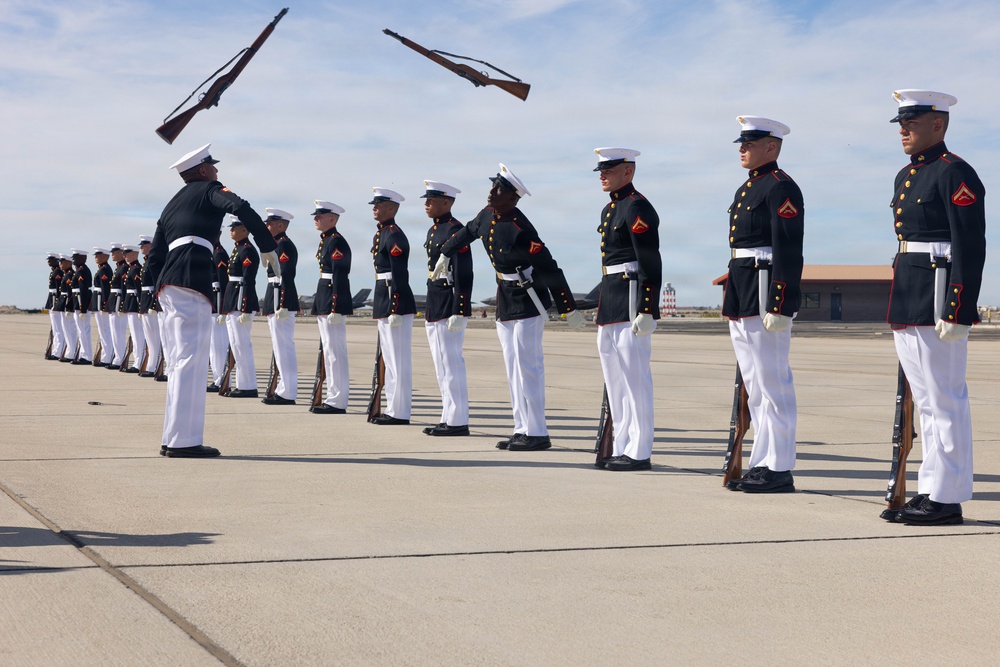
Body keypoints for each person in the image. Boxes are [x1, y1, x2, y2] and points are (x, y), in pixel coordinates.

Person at [881, 90, 986, 525]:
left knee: (945, 398)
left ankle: (947, 498)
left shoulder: (954, 172)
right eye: (901, 123)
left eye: (912, 122)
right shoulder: (906, 174)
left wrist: (959, 307)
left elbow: (969, 244)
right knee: (925, 401)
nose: (903, 130)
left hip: (939, 294)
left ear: (938, 125)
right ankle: (930, 490)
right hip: (909, 291)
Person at [435, 164, 586, 451]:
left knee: (529, 366)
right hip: (505, 298)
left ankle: (538, 432)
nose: (491, 193)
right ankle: (522, 428)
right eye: (492, 187)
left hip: (528, 297)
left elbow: (549, 266)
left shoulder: (520, 228)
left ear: (513, 197)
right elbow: (467, 232)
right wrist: (445, 252)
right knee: (512, 367)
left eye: (499, 190)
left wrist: (568, 307)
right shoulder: (487, 215)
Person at [146, 143, 279, 458]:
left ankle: (174, 437)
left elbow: (154, 256)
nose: (217, 171)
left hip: (169, 282)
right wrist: (266, 244)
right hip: (192, 276)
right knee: (190, 360)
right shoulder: (210, 189)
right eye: (213, 167)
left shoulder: (170, 204)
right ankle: (183, 441)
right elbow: (241, 207)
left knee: (180, 359)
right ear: (203, 171)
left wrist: (152, 291)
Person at [723, 116, 804, 493]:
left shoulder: (780, 187)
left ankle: (780, 465)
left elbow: (787, 249)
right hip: (743, 282)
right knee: (755, 383)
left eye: (749, 143)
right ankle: (762, 461)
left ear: (770, 147)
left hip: (764, 284)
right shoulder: (748, 187)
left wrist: (780, 300)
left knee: (773, 380)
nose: (742, 148)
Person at [591, 148, 662, 471]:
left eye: (609, 169)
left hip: (632, 298)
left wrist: (647, 308)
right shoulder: (611, 209)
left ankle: (639, 449)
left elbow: (649, 260)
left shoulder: (636, 207)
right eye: (601, 170)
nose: (602, 175)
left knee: (635, 379)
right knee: (615, 380)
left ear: (628, 172)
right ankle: (621, 444)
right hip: (612, 298)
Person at [420, 180, 473, 437]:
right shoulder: (434, 230)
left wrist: (459, 309)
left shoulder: (455, 230)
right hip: (435, 300)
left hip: (449, 301)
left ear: (447, 202)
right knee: (441, 364)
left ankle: (458, 420)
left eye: (431, 200)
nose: (426, 204)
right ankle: (447, 415)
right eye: (426, 200)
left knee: (451, 363)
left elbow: (464, 272)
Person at [368, 188, 416, 426]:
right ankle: (392, 408)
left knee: (398, 359)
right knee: (389, 357)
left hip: (393, 298)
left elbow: (399, 273)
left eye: (378, 205)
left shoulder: (394, 235)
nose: (374, 209)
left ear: (391, 208)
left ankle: (399, 411)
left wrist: (395, 307)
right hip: (383, 296)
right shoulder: (383, 233)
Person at [310, 200, 353, 415]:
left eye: (320, 216)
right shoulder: (326, 240)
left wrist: (336, 306)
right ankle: (332, 396)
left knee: (335, 351)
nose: (316, 219)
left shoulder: (337, 242)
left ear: (332, 219)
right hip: (324, 297)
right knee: (329, 350)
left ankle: (337, 400)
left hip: (331, 299)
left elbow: (340, 275)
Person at [260, 208, 299, 405]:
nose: (266, 226)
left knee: (284, 346)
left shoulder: (284, 245)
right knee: (278, 347)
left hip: (280, 299)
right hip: (273, 297)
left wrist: (282, 303)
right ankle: (283, 389)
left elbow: (286, 275)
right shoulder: (274, 245)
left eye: (270, 223)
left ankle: (288, 392)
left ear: (281, 225)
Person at [221, 216, 262, 398]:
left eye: (235, 227)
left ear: (245, 229)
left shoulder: (247, 250)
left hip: (240, 301)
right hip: (233, 300)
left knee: (241, 344)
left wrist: (244, 308)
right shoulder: (237, 249)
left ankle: (248, 386)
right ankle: (242, 384)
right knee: (236, 345)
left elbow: (248, 280)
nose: (231, 230)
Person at [137, 235, 163, 378]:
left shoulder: (154, 260)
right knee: (149, 337)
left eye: (144, 245)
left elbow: (156, 284)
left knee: (155, 336)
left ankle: (156, 365)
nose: (141, 247)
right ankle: (151, 366)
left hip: (151, 301)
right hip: (146, 300)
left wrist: (154, 304)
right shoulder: (147, 261)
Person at [207, 240, 231, 392]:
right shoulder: (211, 252)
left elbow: (223, 281)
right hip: (211, 302)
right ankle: (217, 378)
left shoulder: (219, 253)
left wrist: (222, 309)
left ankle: (221, 379)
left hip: (217, 303)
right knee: (213, 345)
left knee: (219, 345)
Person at [119, 245, 146, 373]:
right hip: (131, 304)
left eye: (127, 254)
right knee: (135, 335)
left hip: (135, 304)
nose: (124, 256)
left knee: (138, 335)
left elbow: (139, 290)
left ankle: (139, 362)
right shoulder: (131, 269)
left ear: (134, 255)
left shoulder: (135, 269)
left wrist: (141, 307)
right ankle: (137, 361)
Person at [105, 242, 129, 370]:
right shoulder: (118, 267)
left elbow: (124, 289)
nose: (112, 255)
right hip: (114, 301)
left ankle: (120, 358)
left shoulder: (124, 267)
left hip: (119, 302)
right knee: (114, 332)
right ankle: (117, 357)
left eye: (115, 253)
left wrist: (122, 306)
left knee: (119, 332)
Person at [90, 247, 114, 367]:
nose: (95, 257)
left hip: (101, 302)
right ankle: (106, 355)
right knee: (103, 331)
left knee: (105, 331)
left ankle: (107, 356)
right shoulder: (102, 269)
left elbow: (105, 289)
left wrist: (105, 304)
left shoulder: (104, 270)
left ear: (105, 257)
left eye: (98, 255)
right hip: (98, 301)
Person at [69, 249, 93, 365]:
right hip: (78, 303)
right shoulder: (79, 270)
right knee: (82, 331)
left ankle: (86, 356)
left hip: (81, 304)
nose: (73, 259)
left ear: (83, 258)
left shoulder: (82, 271)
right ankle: (84, 354)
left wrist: (83, 309)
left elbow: (83, 290)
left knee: (83, 331)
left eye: (76, 257)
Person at [56, 254, 78, 362]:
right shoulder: (66, 274)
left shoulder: (70, 275)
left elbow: (71, 294)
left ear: (69, 263)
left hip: (67, 304)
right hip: (63, 303)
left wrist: (69, 308)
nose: (60, 264)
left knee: (70, 330)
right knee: (66, 330)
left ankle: (71, 353)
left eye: (62, 262)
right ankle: (70, 352)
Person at [45, 251, 64, 360]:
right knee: (56, 329)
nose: (49, 262)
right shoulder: (54, 271)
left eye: (51, 260)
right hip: (52, 300)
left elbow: (58, 290)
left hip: (55, 301)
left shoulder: (58, 272)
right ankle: (56, 350)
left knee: (58, 329)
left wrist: (56, 304)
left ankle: (57, 351)